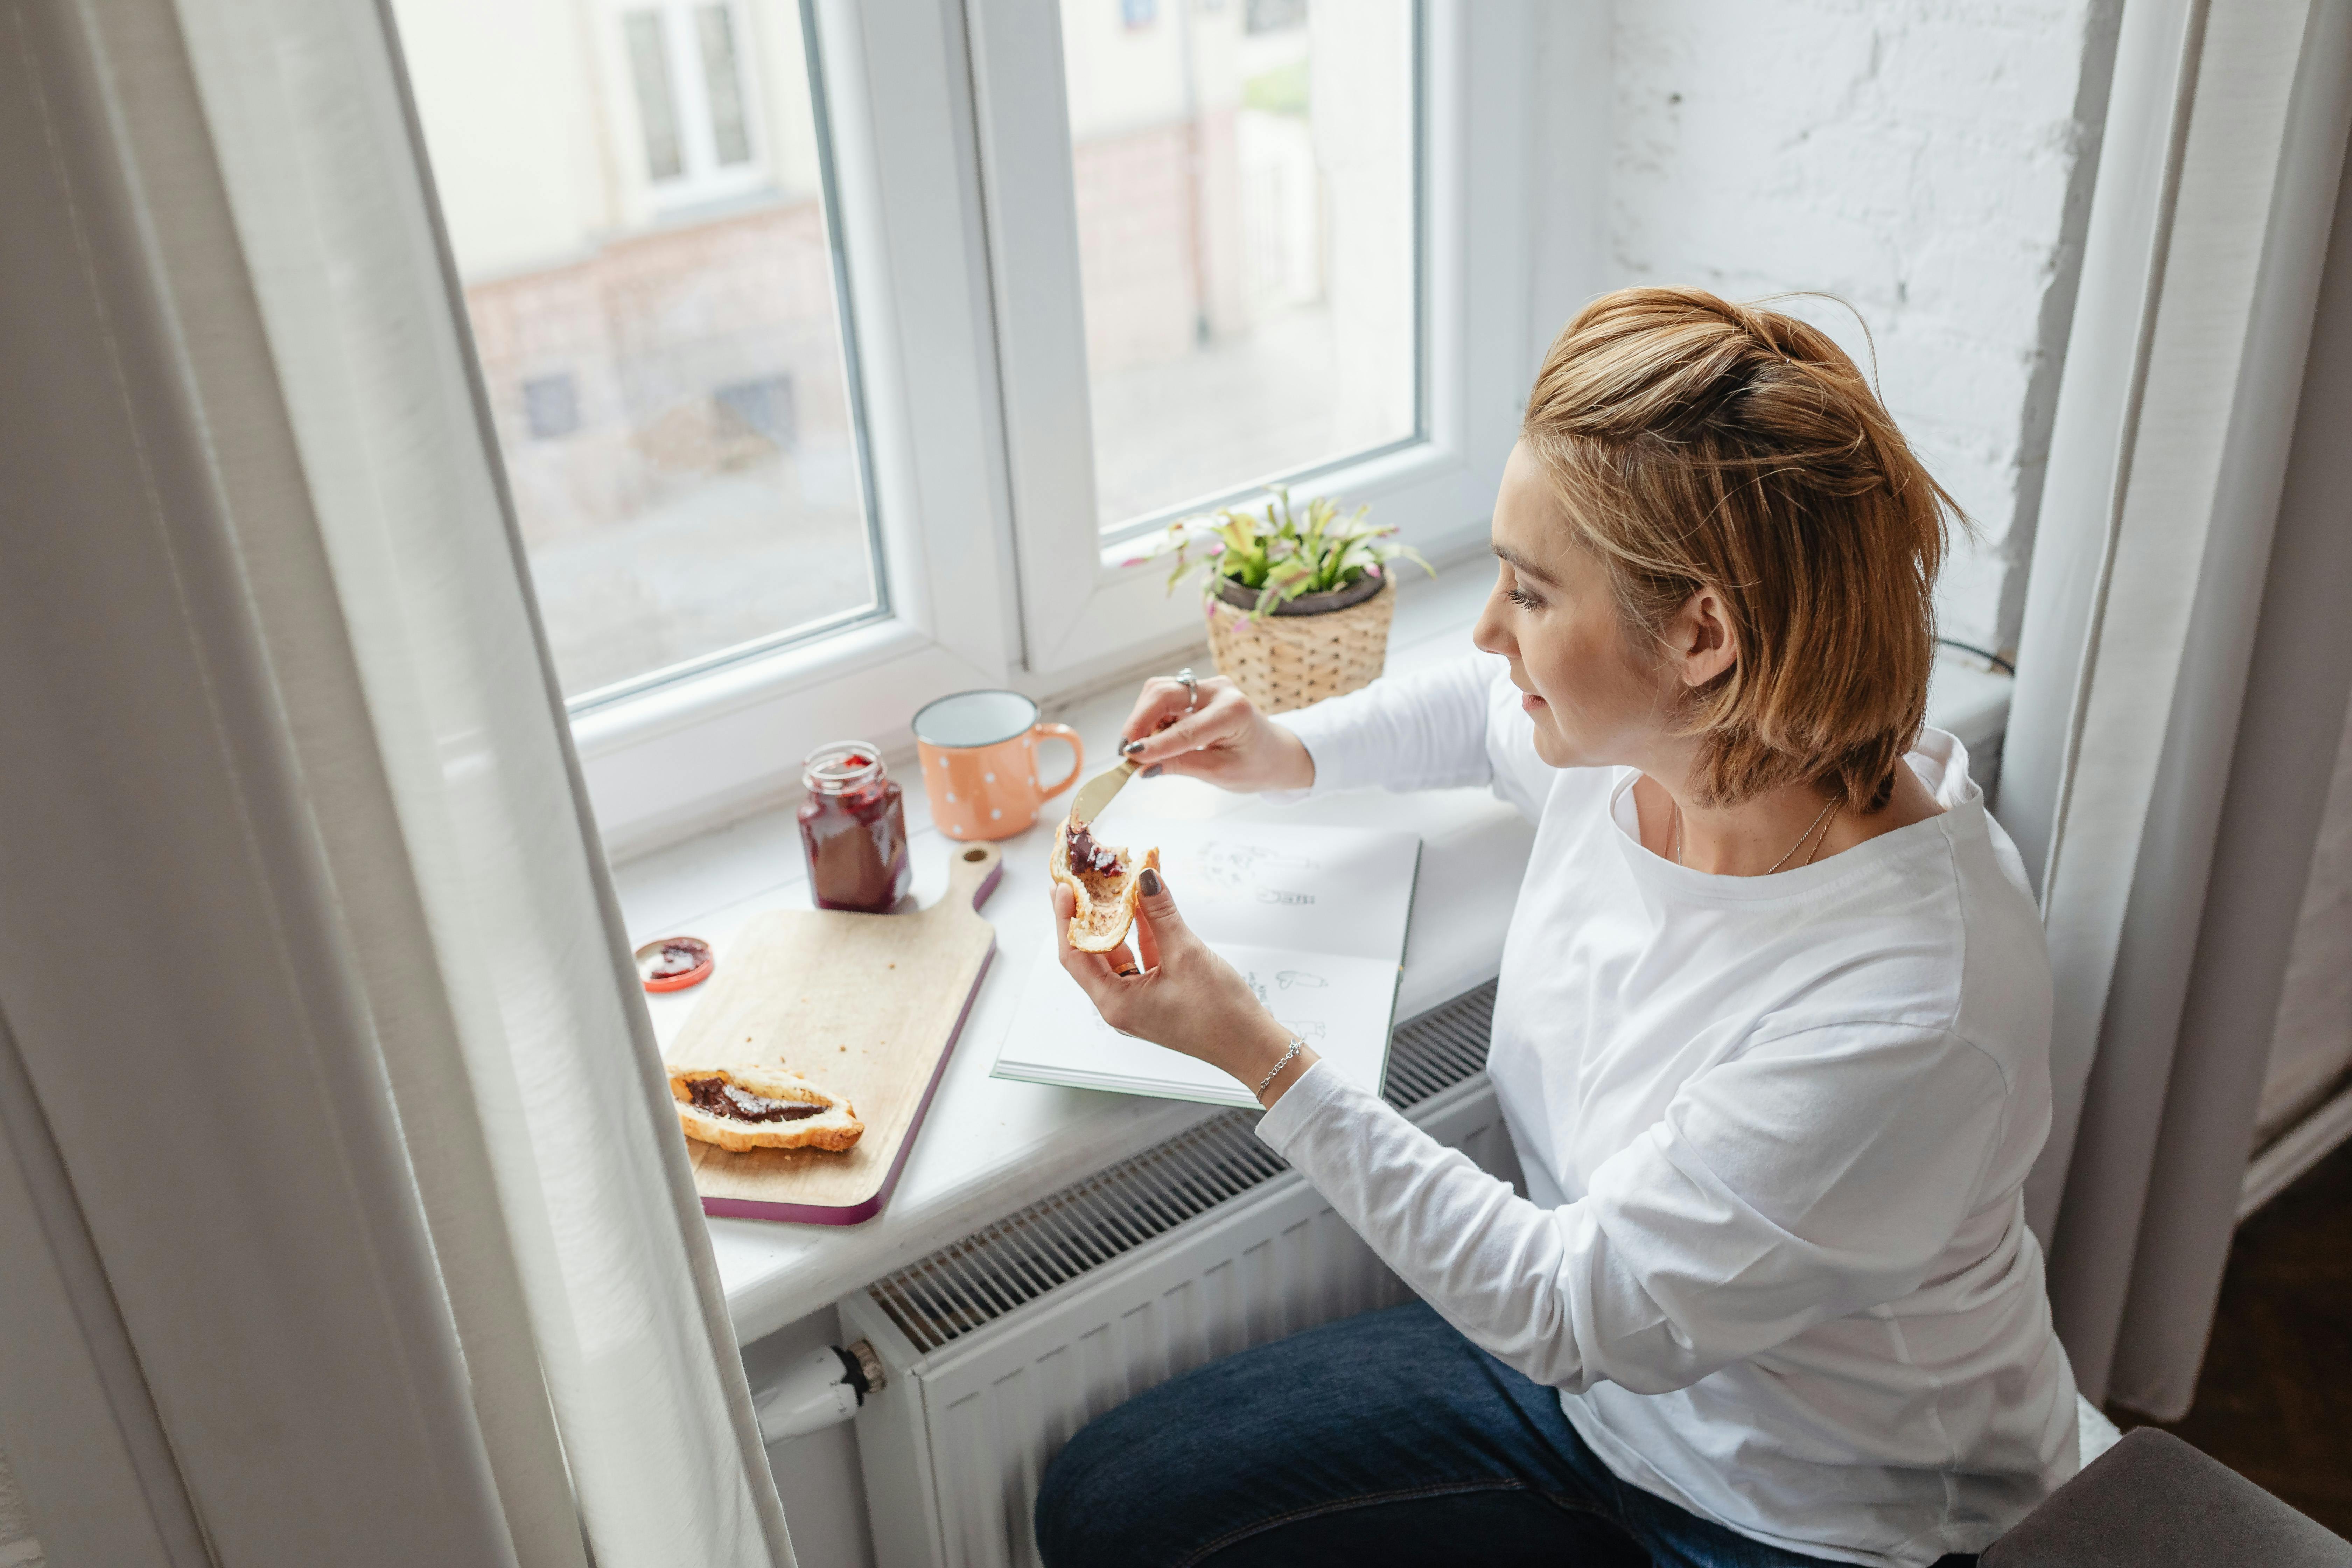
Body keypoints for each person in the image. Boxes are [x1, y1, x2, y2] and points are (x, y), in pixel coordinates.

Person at [1035, 288, 2078, 1568]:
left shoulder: (1911, 1004)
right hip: (1599, 1406)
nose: (1487, 631)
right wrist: (1284, 747)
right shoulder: (1658, 746)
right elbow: (1481, 708)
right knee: (1107, 1503)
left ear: (1702, 634)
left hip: (1811, 1516)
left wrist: (1256, 1047)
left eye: (1529, 595)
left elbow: (1565, 1305)